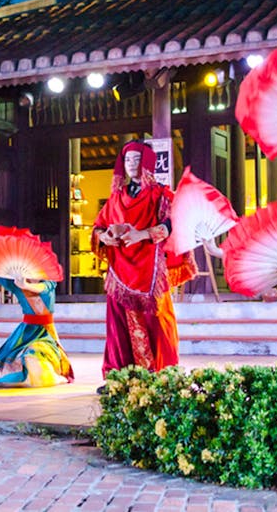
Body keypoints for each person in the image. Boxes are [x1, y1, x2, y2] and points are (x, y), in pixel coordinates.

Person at [91, 140, 196, 378]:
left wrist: (142, 234)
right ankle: (119, 377)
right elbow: (99, 225)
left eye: (137, 160)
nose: (131, 165)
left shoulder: (160, 194)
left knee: (157, 324)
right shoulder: (116, 197)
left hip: (149, 271)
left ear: (147, 164)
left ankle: (161, 374)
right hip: (119, 269)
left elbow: (172, 225)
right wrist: (104, 237)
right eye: (127, 160)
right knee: (118, 328)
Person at [0, 274, 74, 388]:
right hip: (26, 332)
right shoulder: (16, 285)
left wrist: (26, 285)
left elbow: (41, 288)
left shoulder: (49, 282)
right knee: (18, 359)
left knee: (35, 354)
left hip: (46, 332)